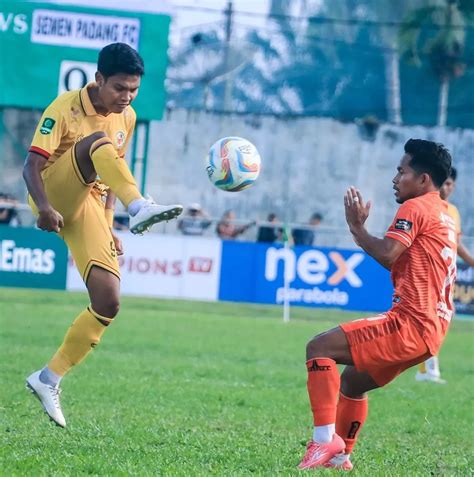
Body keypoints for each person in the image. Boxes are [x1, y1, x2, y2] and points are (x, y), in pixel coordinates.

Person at [23, 43, 183, 428]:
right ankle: (141, 206)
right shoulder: (65, 106)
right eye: (119, 88)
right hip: (53, 191)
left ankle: (48, 378)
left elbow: (112, 173)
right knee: (96, 143)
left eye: (133, 90)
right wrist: (44, 208)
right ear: (98, 80)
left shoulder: (125, 117)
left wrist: (109, 225)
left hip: (89, 205)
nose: (126, 97)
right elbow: (30, 166)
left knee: (108, 301)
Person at [298, 139, 456, 470]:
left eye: (402, 171)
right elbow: (401, 259)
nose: (395, 179)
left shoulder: (416, 207)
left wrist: (357, 228)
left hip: (409, 324)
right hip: (433, 332)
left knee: (318, 348)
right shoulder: (445, 212)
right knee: (353, 382)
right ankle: (341, 457)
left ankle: (324, 442)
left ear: (423, 179)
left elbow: (387, 253)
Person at [415, 166, 474, 384]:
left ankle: (427, 369)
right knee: (428, 321)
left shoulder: (453, 211)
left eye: (450, 184)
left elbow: (456, 244)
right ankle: (426, 371)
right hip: (425, 275)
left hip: (444, 277)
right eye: (443, 183)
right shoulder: (422, 206)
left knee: (440, 321)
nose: (446, 188)